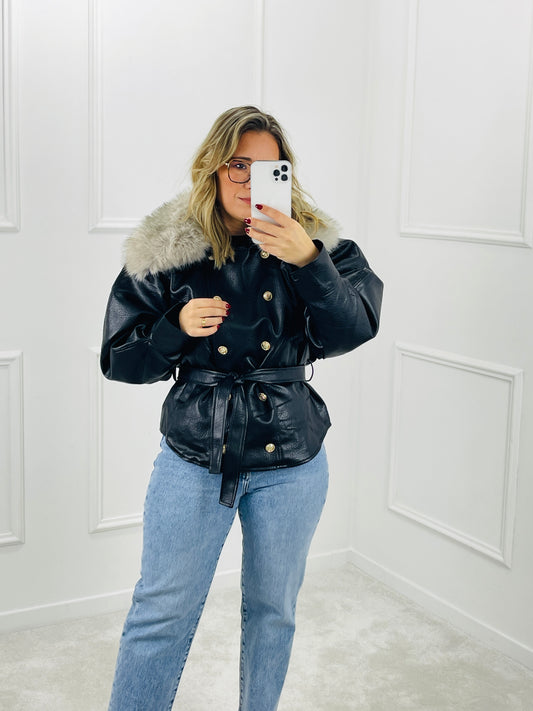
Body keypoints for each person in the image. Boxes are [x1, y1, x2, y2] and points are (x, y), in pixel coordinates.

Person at [100, 105, 383, 711]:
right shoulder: (168, 250)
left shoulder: (319, 246)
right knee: (161, 611)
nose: (250, 181)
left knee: (274, 612)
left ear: (286, 174)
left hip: (293, 457)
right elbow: (119, 359)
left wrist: (309, 262)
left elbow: (355, 328)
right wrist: (174, 328)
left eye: (267, 168)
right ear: (212, 167)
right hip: (195, 454)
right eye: (237, 165)